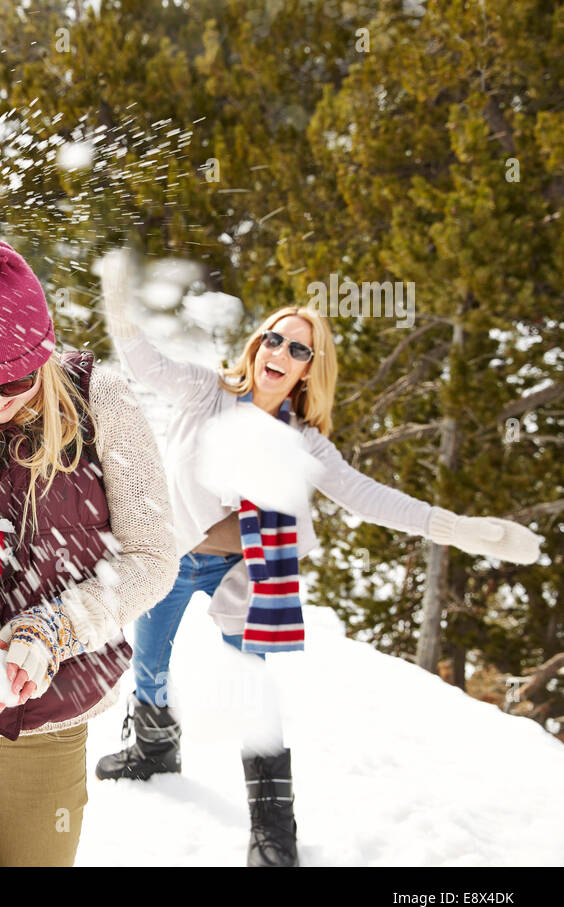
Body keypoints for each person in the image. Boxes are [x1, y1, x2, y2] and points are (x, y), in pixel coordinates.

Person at [92, 250, 542, 866]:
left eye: (297, 348)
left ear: (308, 369)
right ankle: (152, 749)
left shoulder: (305, 443)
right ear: (257, 346)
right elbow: (145, 363)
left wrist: (459, 529)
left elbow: (367, 496)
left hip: (243, 572)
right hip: (172, 555)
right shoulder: (207, 392)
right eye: (272, 338)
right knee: (149, 663)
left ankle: (273, 831)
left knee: (251, 690)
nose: (279, 352)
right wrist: (119, 305)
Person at [0, 226, 177, 866]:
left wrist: (50, 632)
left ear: (42, 353)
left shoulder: (100, 399)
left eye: (14, 383)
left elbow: (153, 557)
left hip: (50, 731)